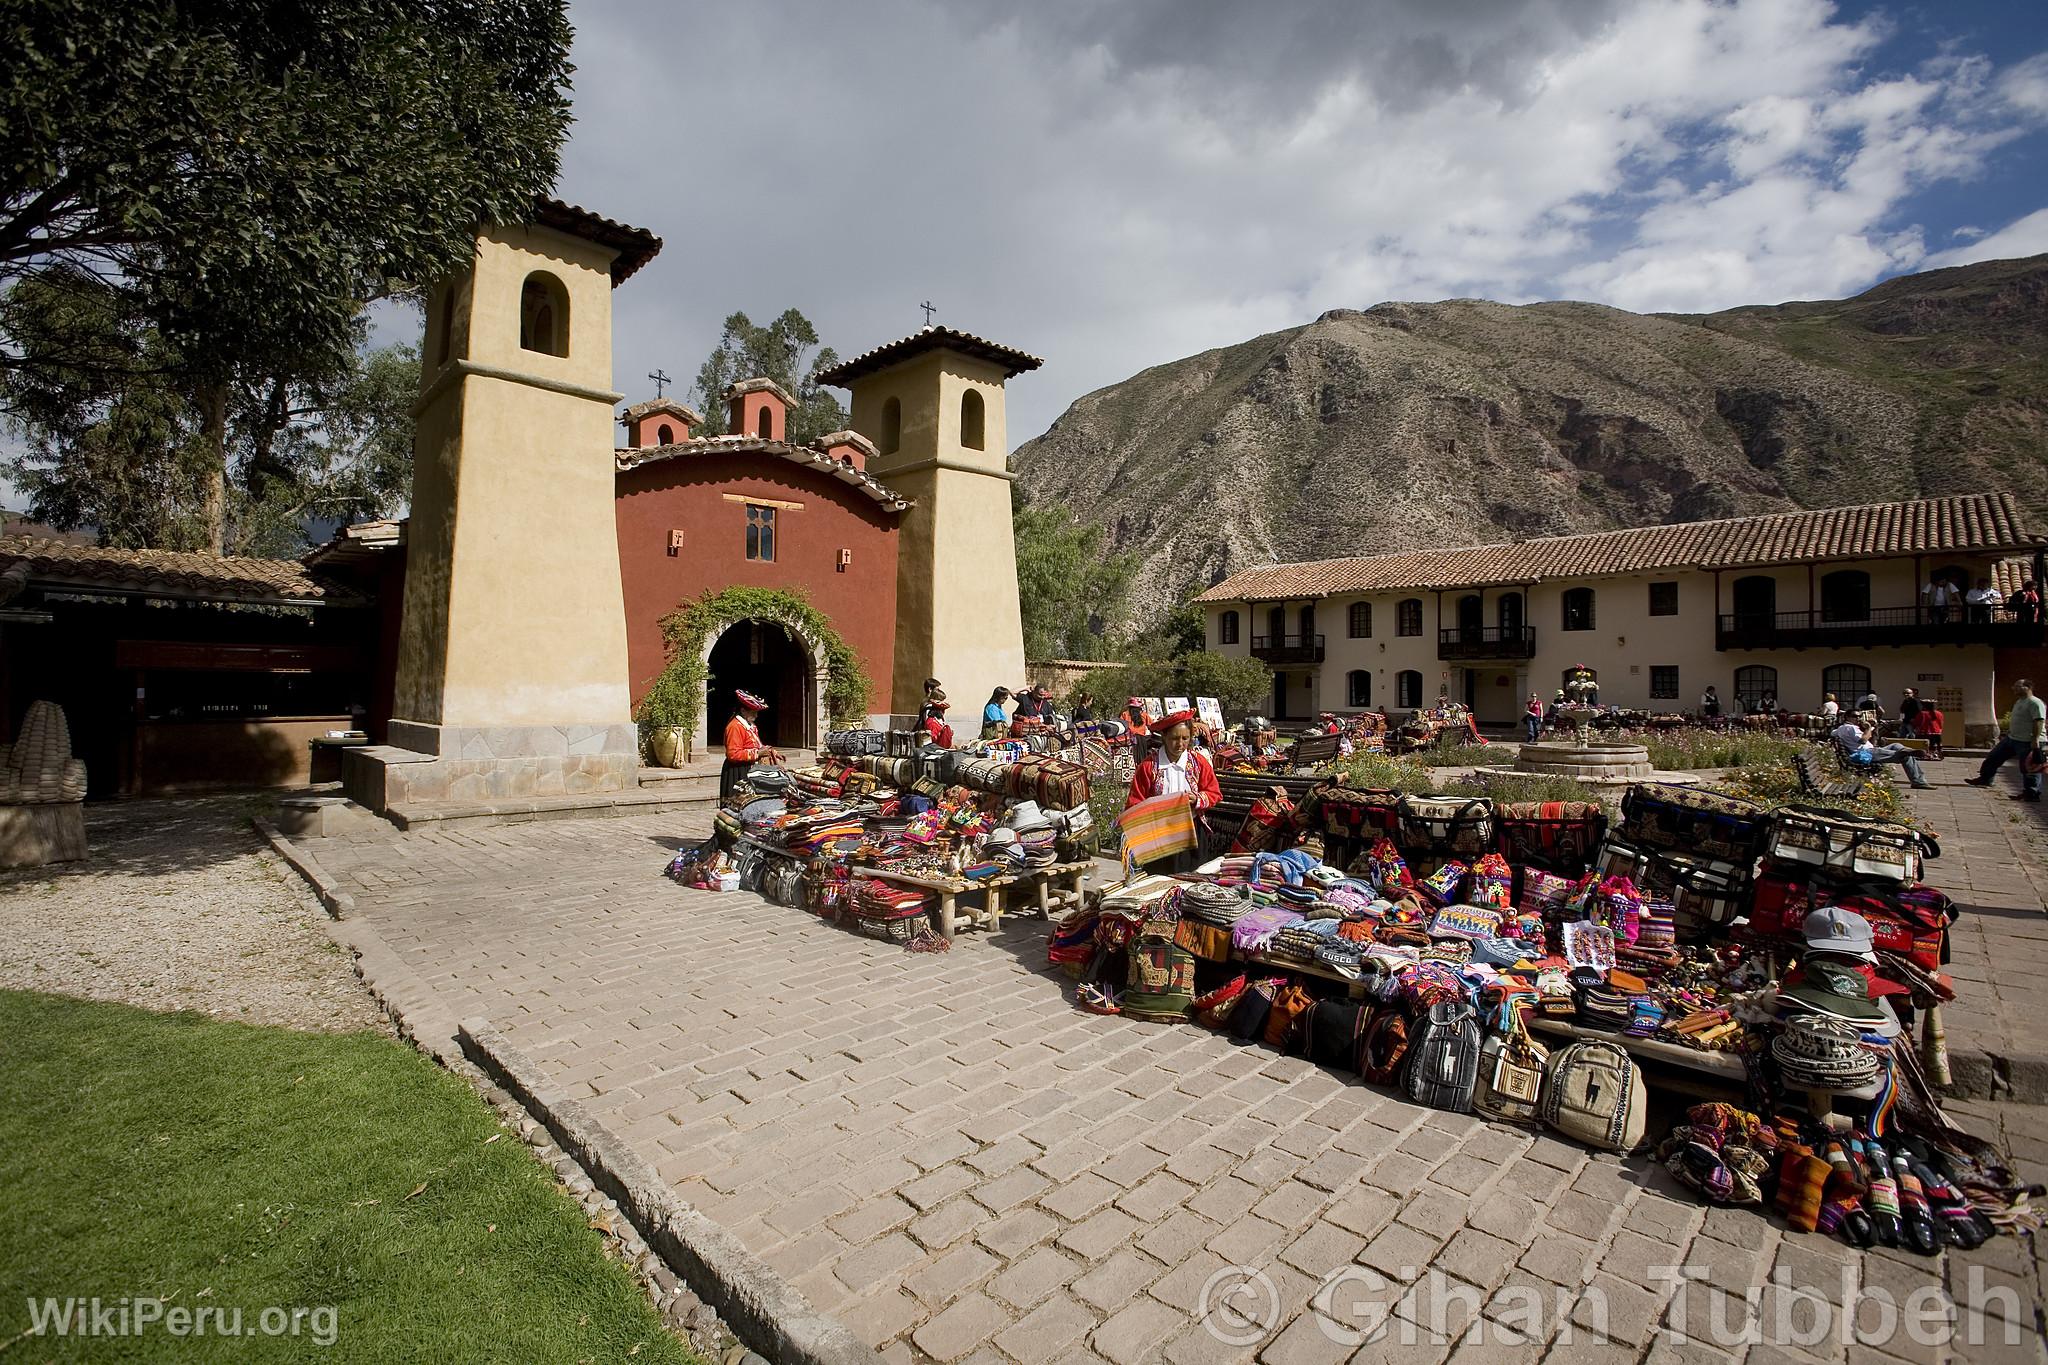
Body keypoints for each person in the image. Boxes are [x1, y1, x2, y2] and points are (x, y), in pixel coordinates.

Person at [1126, 709, 1222, 873]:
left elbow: (1214, 793)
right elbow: (1134, 803)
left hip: (1192, 835)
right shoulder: (1149, 767)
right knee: (1160, 881)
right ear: (1164, 737)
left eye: (1185, 738)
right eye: (1174, 738)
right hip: (1159, 837)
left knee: (1191, 882)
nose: (1180, 744)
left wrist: (1197, 799)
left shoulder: (1198, 763)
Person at [1966, 678, 2047, 802]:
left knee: (2030, 768)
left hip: (2028, 741)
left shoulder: (2035, 703)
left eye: (2017, 686)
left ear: (2027, 687)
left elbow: (2039, 721)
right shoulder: (2020, 701)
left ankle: (2032, 793)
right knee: (1993, 757)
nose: (2013, 688)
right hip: (2012, 739)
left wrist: (2035, 739)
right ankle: (1986, 779)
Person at [1832, 718, 1932, 789]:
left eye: (1859, 716)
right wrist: (1868, 728)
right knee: (1905, 755)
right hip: (1865, 753)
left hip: (1870, 750)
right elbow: (1863, 740)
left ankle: (1907, 752)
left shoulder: (1842, 728)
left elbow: (1833, 733)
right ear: (1847, 717)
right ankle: (1918, 780)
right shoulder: (1851, 728)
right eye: (1855, 716)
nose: (1858, 718)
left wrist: (1871, 728)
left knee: (1896, 745)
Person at [720, 690, 781, 801]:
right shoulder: (735, 727)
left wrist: (771, 751)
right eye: (753, 712)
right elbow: (733, 754)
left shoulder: (750, 725)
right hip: (738, 771)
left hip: (749, 768)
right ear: (743, 710)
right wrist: (757, 753)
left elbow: (756, 744)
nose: (756, 715)